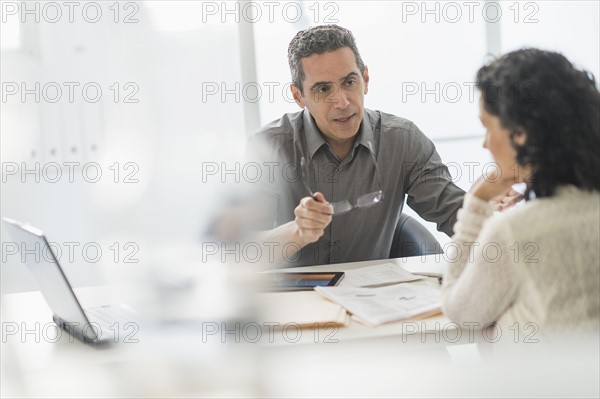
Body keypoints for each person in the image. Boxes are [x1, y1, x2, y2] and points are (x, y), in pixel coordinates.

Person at [246, 24, 465, 267]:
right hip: (293, 301)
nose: (342, 101)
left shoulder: (402, 140)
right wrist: (297, 232)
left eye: (349, 82)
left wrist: (500, 211)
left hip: (370, 298)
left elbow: (458, 215)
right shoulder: (269, 147)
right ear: (299, 96)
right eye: (323, 89)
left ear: (365, 79)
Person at [441, 49, 600, 335]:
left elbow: (460, 312)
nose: (486, 144)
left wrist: (477, 201)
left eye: (488, 128)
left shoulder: (514, 231)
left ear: (520, 133)